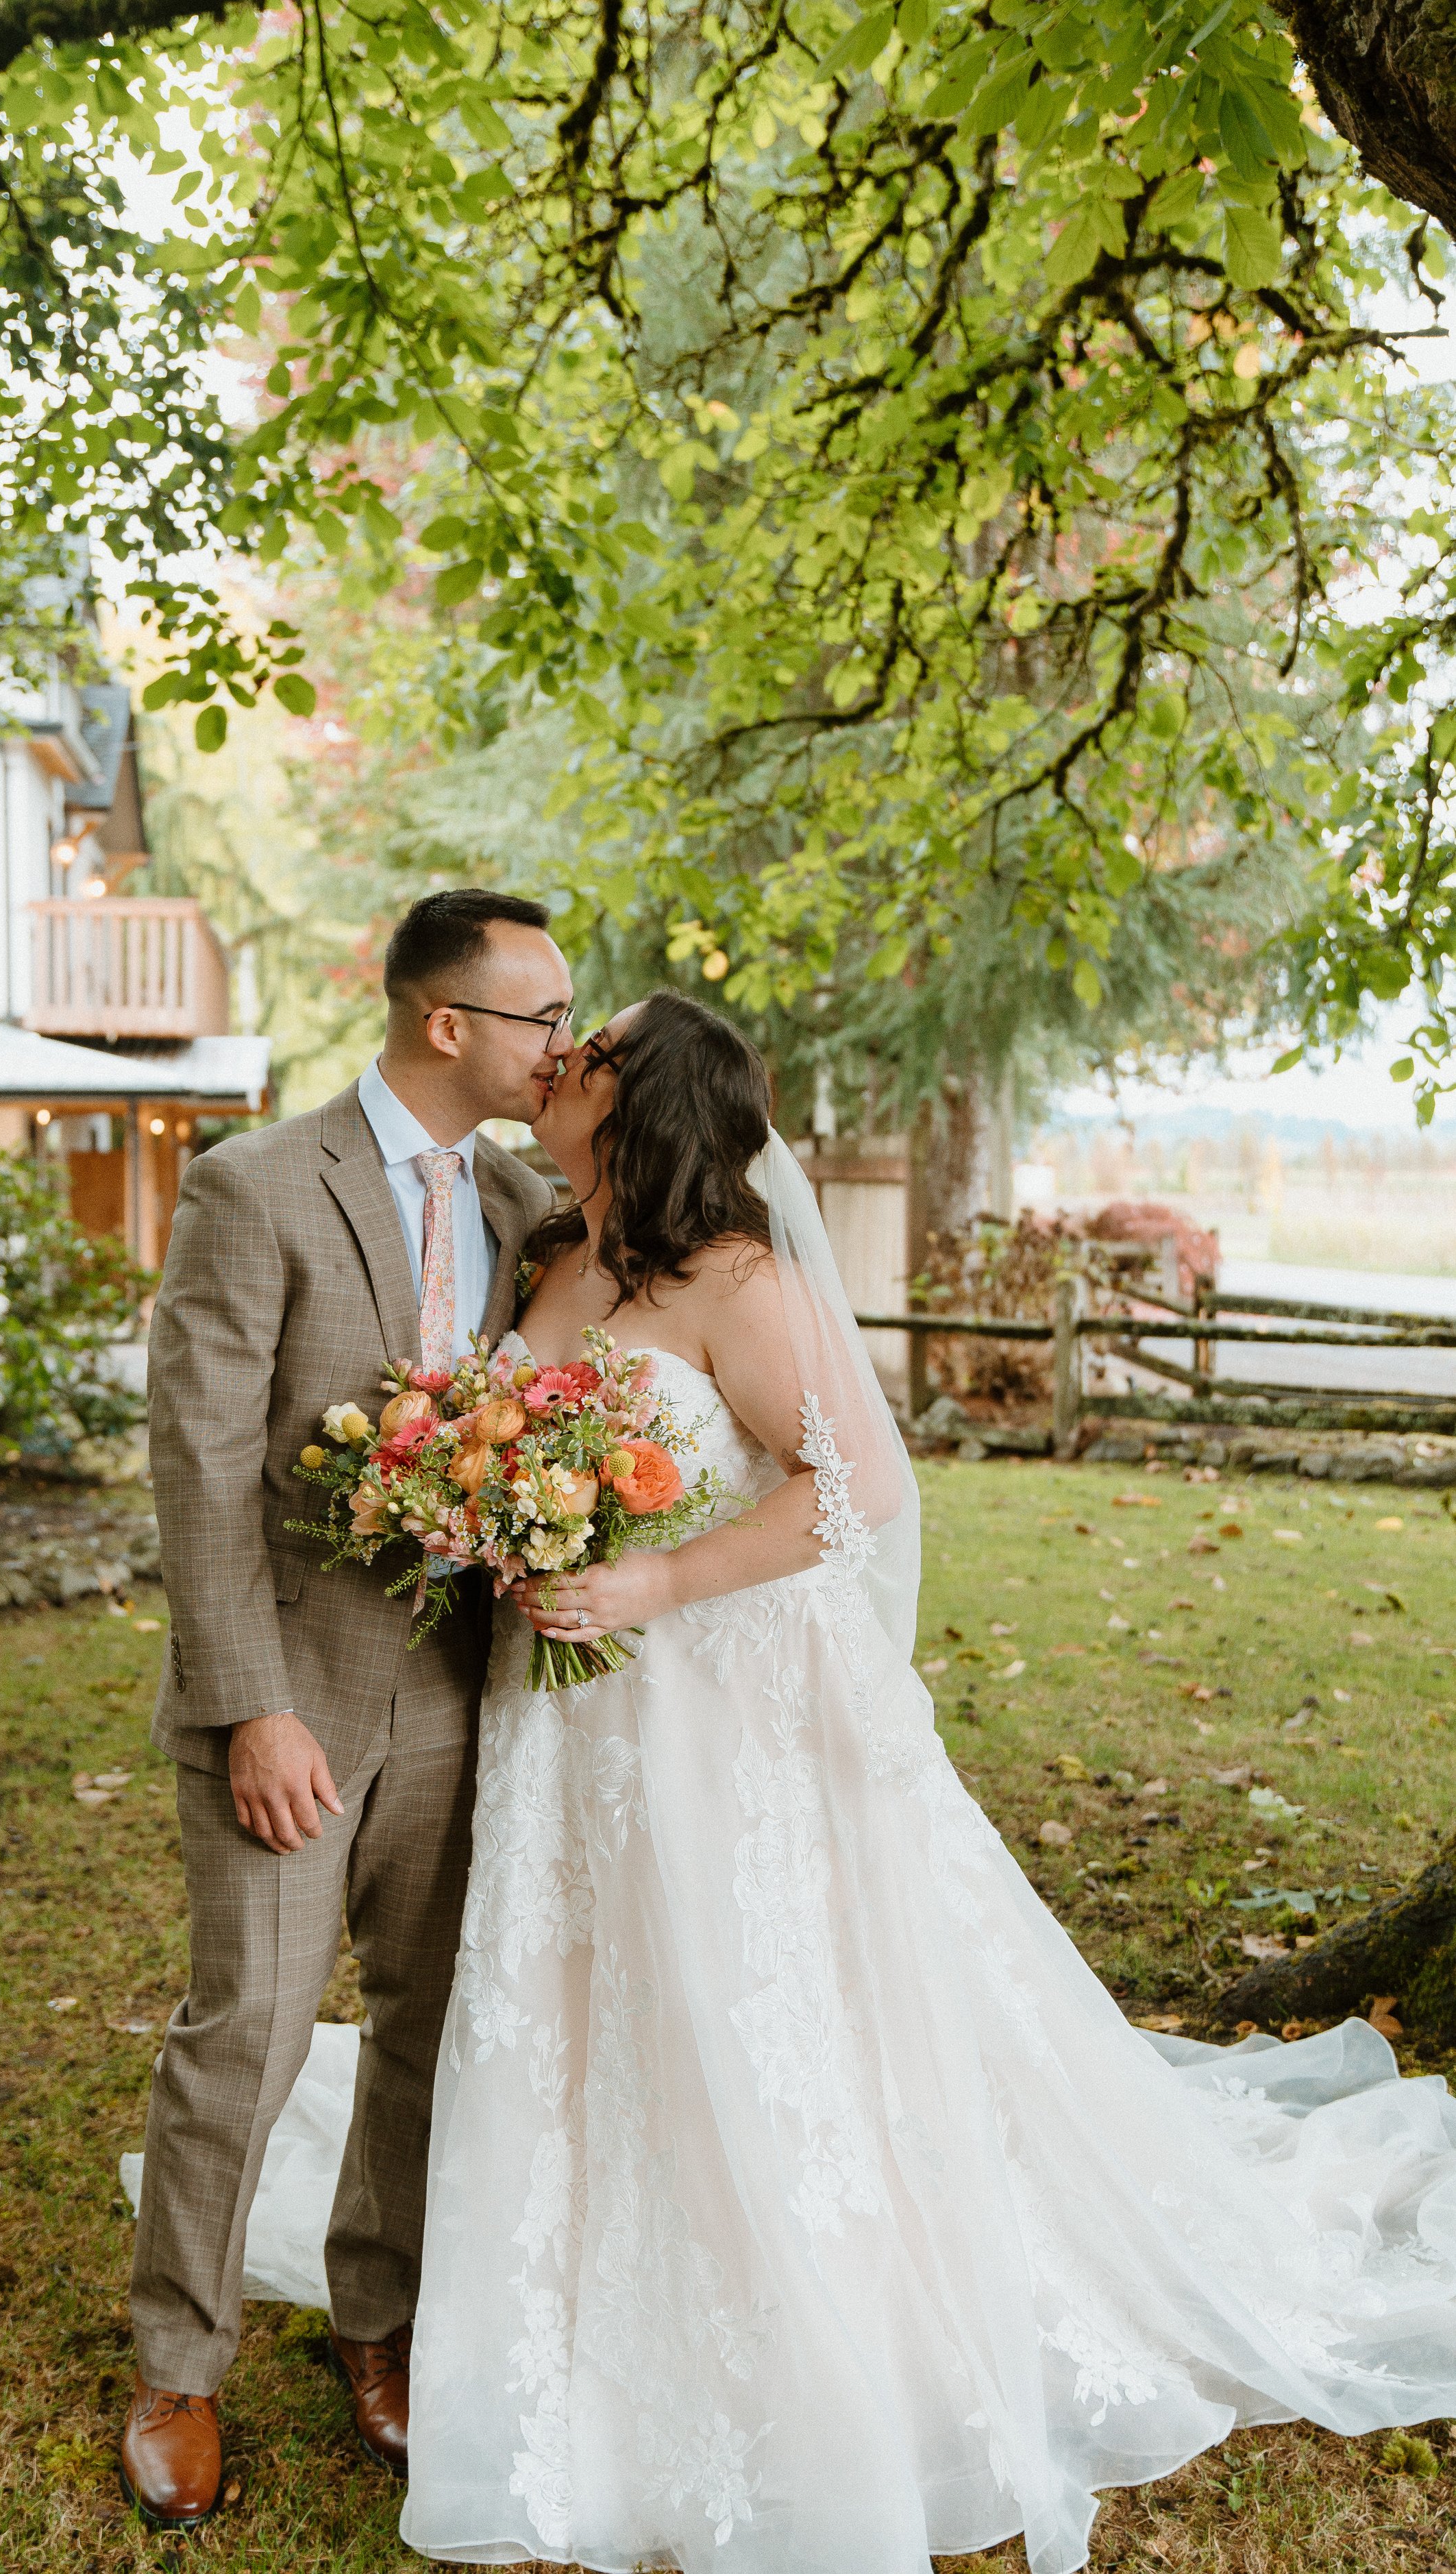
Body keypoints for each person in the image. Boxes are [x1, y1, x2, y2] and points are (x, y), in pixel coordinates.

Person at [394, 991, 1456, 2573]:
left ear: (645, 1101)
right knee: (589, 1992)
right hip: (569, 1716)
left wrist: (653, 1586)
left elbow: (855, 1489)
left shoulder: (733, 1277)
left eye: (591, 1047)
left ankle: (801, 2309)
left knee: (747, 1991)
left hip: (706, 1699)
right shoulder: (548, 1251)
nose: (559, 1059)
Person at [117, 890, 563, 2530]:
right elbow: (200, 1459)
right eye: (540, 1014)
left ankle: (378, 2326)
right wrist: (248, 1707)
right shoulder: (253, 1186)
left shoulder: (530, 1205)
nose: (559, 1041)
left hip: (463, 1690)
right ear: (445, 1022)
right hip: (288, 1696)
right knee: (245, 2026)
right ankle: (179, 2360)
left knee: (432, 2028)